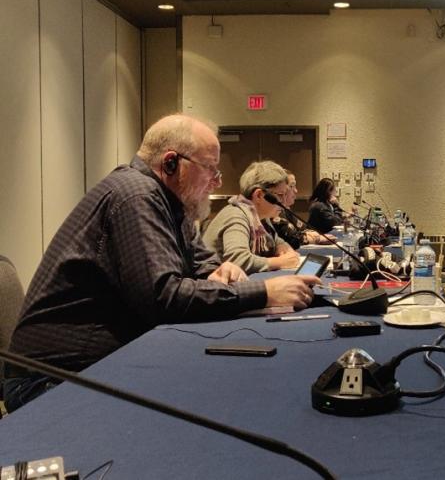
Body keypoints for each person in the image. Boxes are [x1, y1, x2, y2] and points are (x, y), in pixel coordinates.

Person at [3, 115, 318, 412]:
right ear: (171, 162)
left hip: (98, 366)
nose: (216, 181)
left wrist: (220, 272)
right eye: (210, 168)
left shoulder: (172, 205)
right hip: (51, 381)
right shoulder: (136, 197)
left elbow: (203, 264)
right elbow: (163, 297)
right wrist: (264, 293)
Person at [202, 161, 300, 273]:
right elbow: (237, 261)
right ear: (259, 195)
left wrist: (283, 248)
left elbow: (276, 240)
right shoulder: (236, 215)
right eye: (280, 195)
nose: (283, 202)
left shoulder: (259, 217)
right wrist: (280, 262)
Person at [271, 171, 333, 249]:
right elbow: (291, 238)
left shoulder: (286, 210)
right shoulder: (274, 212)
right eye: (291, 186)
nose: (296, 191)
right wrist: (316, 238)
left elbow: (303, 229)